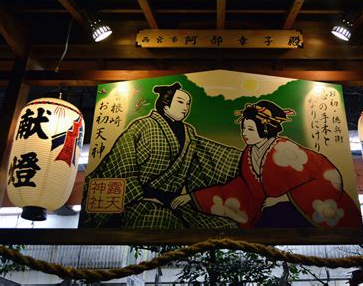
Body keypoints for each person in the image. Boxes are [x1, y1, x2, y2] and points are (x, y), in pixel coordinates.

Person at [171, 100, 362, 228]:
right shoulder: (250, 153)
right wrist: (194, 196)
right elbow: (242, 188)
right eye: (244, 128)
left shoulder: (284, 149)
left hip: (310, 209)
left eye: (250, 129)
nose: (245, 133)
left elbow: (326, 174)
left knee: (271, 217)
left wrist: (283, 197)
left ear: (264, 129)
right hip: (281, 209)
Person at [80, 82, 242, 228]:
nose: (185, 107)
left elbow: (209, 153)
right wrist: (141, 196)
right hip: (139, 201)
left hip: (173, 203)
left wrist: (246, 159)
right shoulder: (143, 125)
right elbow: (123, 162)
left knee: (225, 226)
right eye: (180, 102)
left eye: (187, 104)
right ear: (165, 104)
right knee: (158, 220)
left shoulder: (188, 133)